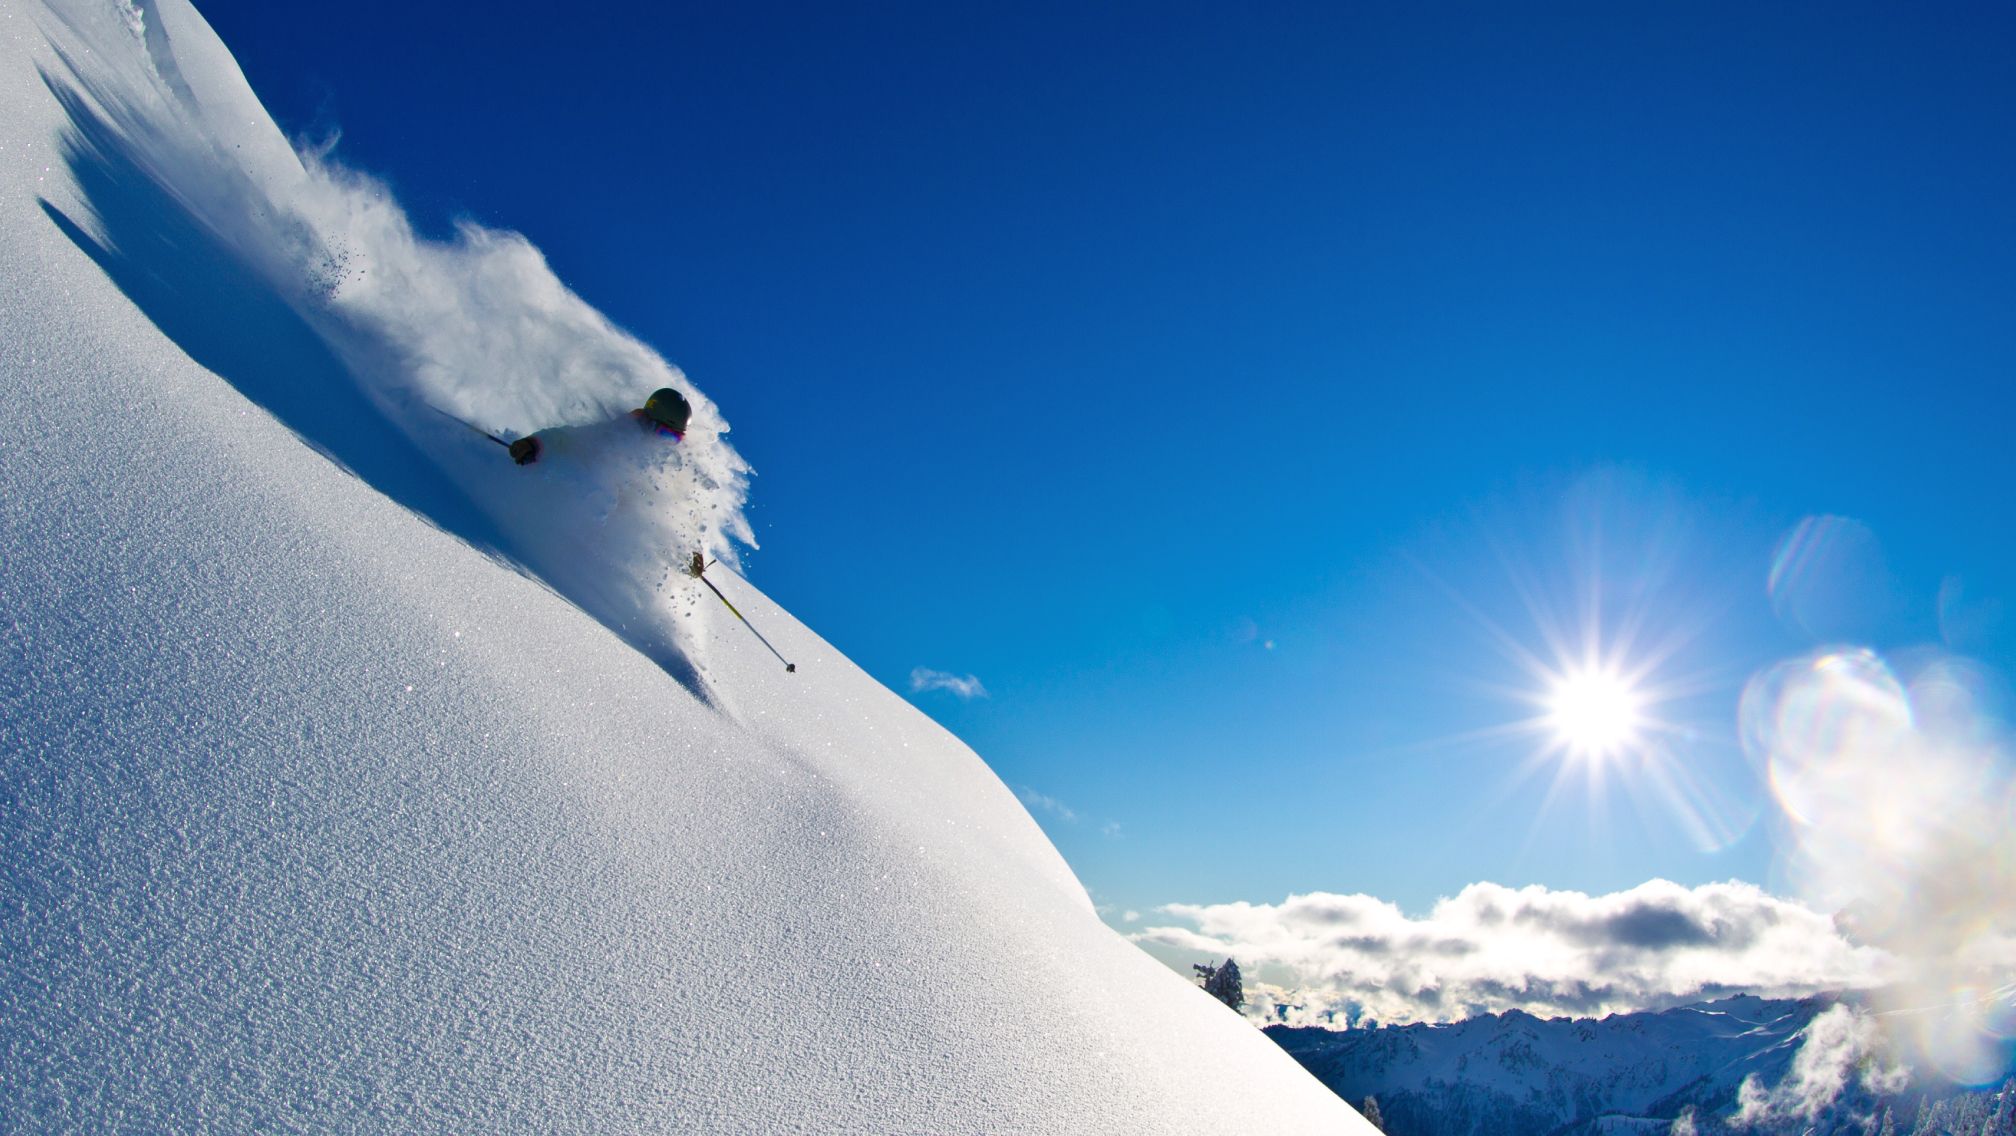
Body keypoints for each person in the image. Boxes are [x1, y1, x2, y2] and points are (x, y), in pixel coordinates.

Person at [510, 387, 692, 465]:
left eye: (674, 439)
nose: (664, 444)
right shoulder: (616, 435)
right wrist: (533, 444)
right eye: (664, 435)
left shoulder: (669, 466)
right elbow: (567, 437)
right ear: (648, 422)